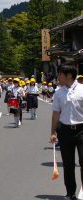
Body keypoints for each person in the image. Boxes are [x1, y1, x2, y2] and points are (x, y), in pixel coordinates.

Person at [50, 65, 83, 200]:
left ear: (69, 75)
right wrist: (53, 132)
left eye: (60, 75)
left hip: (82, 130)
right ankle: (70, 193)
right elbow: (56, 113)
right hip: (65, 131)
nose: (58, 77)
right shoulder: (58, 92)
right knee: (68, 164)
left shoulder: (82, 89)